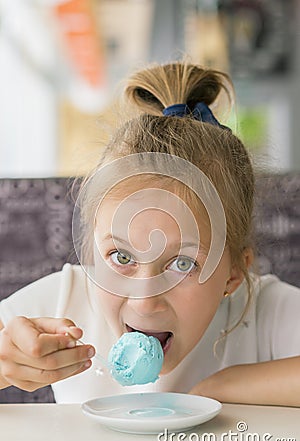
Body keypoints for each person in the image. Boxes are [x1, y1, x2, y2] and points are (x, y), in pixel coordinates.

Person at [0, 61, 299, 405]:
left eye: (183, 264)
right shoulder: (66, 301)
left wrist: (221, 388)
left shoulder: (262, 313)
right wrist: (7, 363)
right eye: (121, 257)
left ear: (234, 274)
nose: (144, 300)